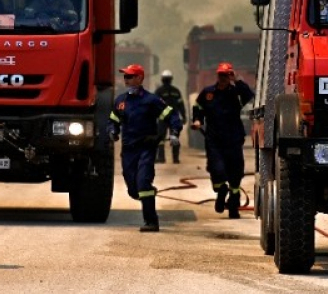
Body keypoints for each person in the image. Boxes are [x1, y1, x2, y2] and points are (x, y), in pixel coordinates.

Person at [107, 64, 183, 232]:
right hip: (128, 150)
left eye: (130, 76)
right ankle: (146, 193)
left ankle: (151, 222)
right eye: (125, 76)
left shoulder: (151, 100)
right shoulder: (120, 101)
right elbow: (113, 120)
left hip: (146, 149)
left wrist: (175, 133)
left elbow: (171, 116)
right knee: (134, 191)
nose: (126, 79)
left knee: (143, 183)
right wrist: (112, 130)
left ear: (140, 78)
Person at [191, 62, 254, 219]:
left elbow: (249, 95)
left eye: (227, 75)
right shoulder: (208, 93)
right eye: (221, 75)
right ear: (217, 75)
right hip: (214, 139)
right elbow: (198, 108)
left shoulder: (236, 93)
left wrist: (237, 80)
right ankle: (221, 192)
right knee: (216, 170)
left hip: (233, 138)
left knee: (235, 174)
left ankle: (233, 207)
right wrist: (198, 120)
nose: (224, 78)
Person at [154, 69, 187, 164]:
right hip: (174, 118)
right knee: (175, 137)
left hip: (162, 118)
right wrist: (183, 116)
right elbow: (181, 105)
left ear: (162, 79)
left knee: (160, 138)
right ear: (171, 79)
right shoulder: (176, 91)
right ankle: (175, 159)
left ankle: (161, 158)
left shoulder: (159, 91)